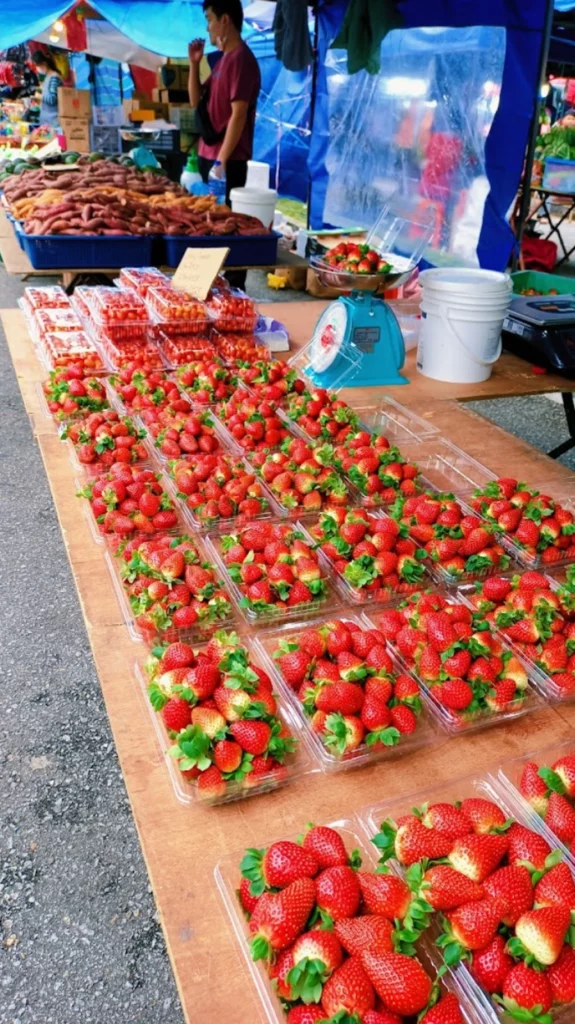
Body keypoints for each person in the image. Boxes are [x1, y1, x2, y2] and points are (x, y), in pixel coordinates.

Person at [188, 0, 261, 288]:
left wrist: (222, 162)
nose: (207, 27)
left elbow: (239, 114)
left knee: (229, 227)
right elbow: (197, 103)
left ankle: (234, 293)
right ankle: (211, 287)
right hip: (210, 155)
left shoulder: (242, 60)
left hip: (228, 161)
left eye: (209, 19)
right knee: (209, 224)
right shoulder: (220, 61)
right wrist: (194, 65)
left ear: (225, 21)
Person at [32, 51, 63, 128]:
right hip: (46, 121)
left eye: (38, 65)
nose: (37, 68)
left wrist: (39, 97)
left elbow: (52, 99)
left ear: (44, 63)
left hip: (52, 122)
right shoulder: (48, 77)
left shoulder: (54, 77)